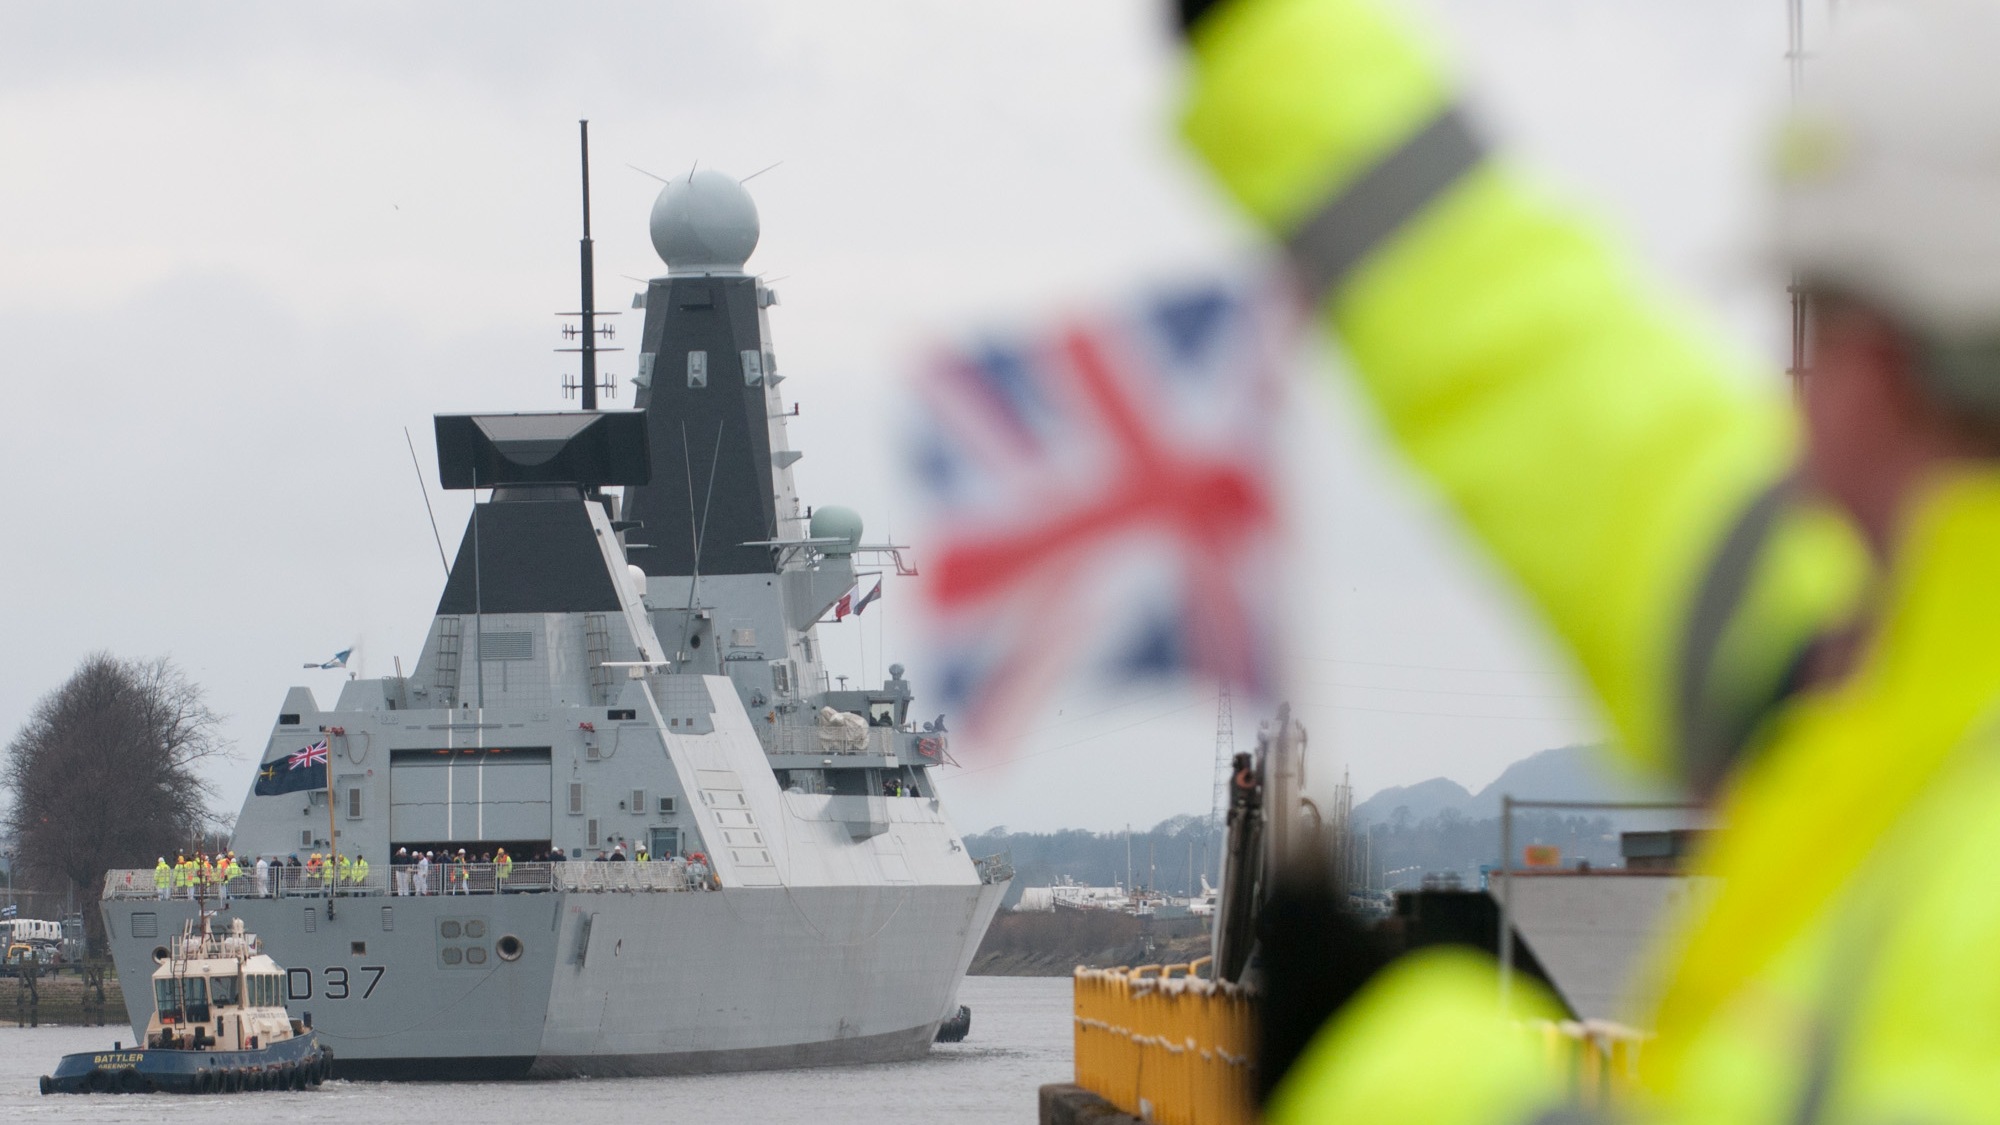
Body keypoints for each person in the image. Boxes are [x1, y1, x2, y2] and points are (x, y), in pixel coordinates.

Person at [1173, 0, 2000, 1121]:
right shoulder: (1875, 650)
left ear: (1889, 359)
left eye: (1819, 320)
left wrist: (1385, 1066)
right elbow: (1555, 388)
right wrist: (1269, 38)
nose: (1796, 416)